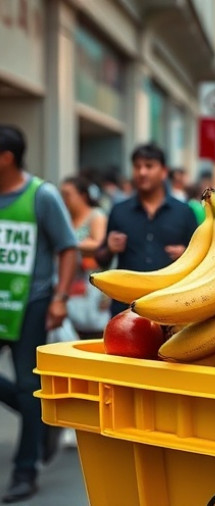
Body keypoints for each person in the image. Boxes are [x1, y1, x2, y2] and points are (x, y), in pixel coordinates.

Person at [0, 125, 77, 503]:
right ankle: (39, 421)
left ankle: (25, 470)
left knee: (30, 387)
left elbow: (68, 248)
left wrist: (59, 297)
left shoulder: (41, 196)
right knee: (29, 399)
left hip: (30, 304)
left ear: (6, 157)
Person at [94, 144, 198, 316]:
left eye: (149, 166)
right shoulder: (119, 211)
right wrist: (110, 249)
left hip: (171, 305)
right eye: (137, 167)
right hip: (126, 307)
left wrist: (186, 255)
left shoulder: (184, 212)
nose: (142, 172)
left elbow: (201, 259)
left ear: (164, 171)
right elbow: (101, 259)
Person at [60, 176, 110, 338]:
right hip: (71, 283)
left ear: (82, 195)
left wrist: (70, 245)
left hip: (91, 284)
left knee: (93, 330)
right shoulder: (66, 218)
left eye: (68, 194)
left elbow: (99, 244)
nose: (64, 199)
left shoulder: (96, 216)